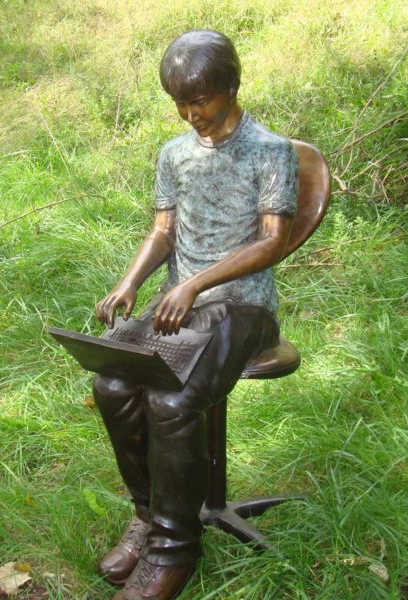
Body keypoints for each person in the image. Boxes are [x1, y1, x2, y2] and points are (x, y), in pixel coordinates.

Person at [93, 29, 298, 600]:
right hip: (179, 303)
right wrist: (130, 283)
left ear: (232, 86)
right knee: (111, 383)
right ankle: (150, 515)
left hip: (243, 305)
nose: (190, 115)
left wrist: (198, 283)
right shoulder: (174, 153)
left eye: (200, 100)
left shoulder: (270, 149)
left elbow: (271, 242)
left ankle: (174, 549)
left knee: (172, 398)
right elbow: (162, 231)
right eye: (180, 103)